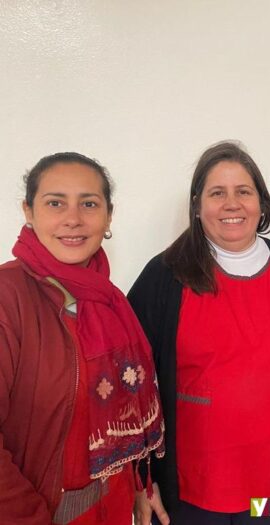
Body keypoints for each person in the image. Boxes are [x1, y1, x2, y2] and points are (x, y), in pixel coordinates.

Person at [128, 141, 270, 525]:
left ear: (261, 203)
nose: (232, 204)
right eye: (217, 193)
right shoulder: (165, 273)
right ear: (198, 206)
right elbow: (130, 384)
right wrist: (141, 479)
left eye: (243, 192)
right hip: (190, 482)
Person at [0, 152, 165, 525]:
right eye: (55, 203)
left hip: (114, 508)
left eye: (88, 204)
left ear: (108, 216)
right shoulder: (8, 298)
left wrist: (139, 485)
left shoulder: (110, 301)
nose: (73, 218)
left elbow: (124, 409)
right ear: (28, 211)